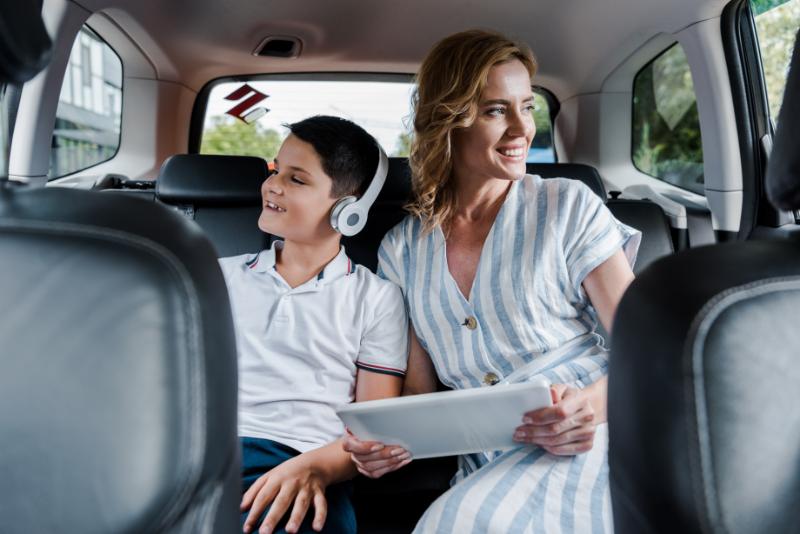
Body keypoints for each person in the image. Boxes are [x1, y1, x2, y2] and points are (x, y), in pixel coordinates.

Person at [344, 30, 641, 532]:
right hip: (486, 458)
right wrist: (386, 444)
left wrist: (585, 410)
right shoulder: (400, 248)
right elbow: (420, 397)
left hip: (594, 432)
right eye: (496, 110)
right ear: (449, 119)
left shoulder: (567, 205)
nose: (522, 129)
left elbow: (649, 348)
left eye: (527, 106)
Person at [219, 115, 409, 534]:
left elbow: (373, 427)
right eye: (275, 170)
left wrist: (315, 469)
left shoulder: (376, 298)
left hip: (306, 462)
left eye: (297, 179)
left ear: (349, 209)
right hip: (209, 455)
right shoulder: (217, 275)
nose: (272, 185)